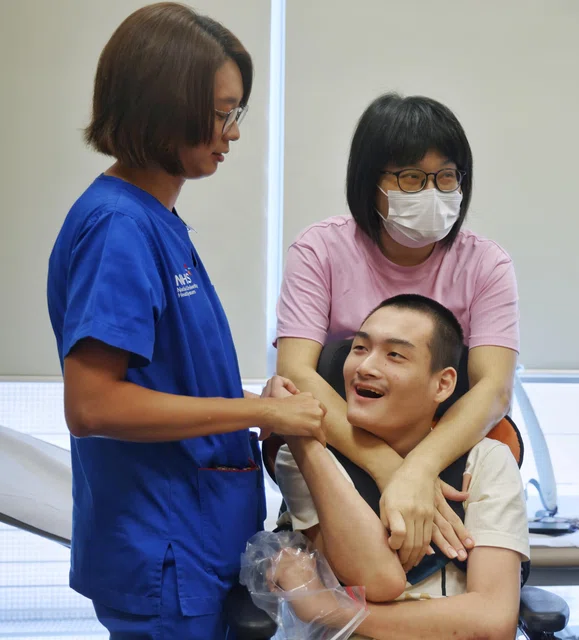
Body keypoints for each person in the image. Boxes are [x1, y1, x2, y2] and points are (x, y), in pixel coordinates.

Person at [45, 4, 325, 637]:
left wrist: (257, 405)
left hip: (195, 543)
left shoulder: (155, 221)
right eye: (222, 113)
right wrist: (259, 412)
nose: (233, 132)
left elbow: (175, 382)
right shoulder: (118, 227)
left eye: (236, 112)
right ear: (163, 106)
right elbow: (92, 404)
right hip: (163, 554)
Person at [273, 92, 520, 572]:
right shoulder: (320, 250)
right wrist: (389, 467)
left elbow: (494, 388)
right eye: (410, 177)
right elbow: (296, 375)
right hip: (336, 457)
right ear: (370, 181)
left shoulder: (486, 263)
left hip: (447, 460)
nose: (432, 191)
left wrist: (420, 468)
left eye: (446, 177)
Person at [273, 294, 528, 640]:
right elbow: (379, 579)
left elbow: (493, 621)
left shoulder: (486, 461)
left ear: (443, 384)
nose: (365, 367)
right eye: (360, 348)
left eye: (394, 355)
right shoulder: (306, 458)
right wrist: (302, 440)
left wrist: (332, 609)